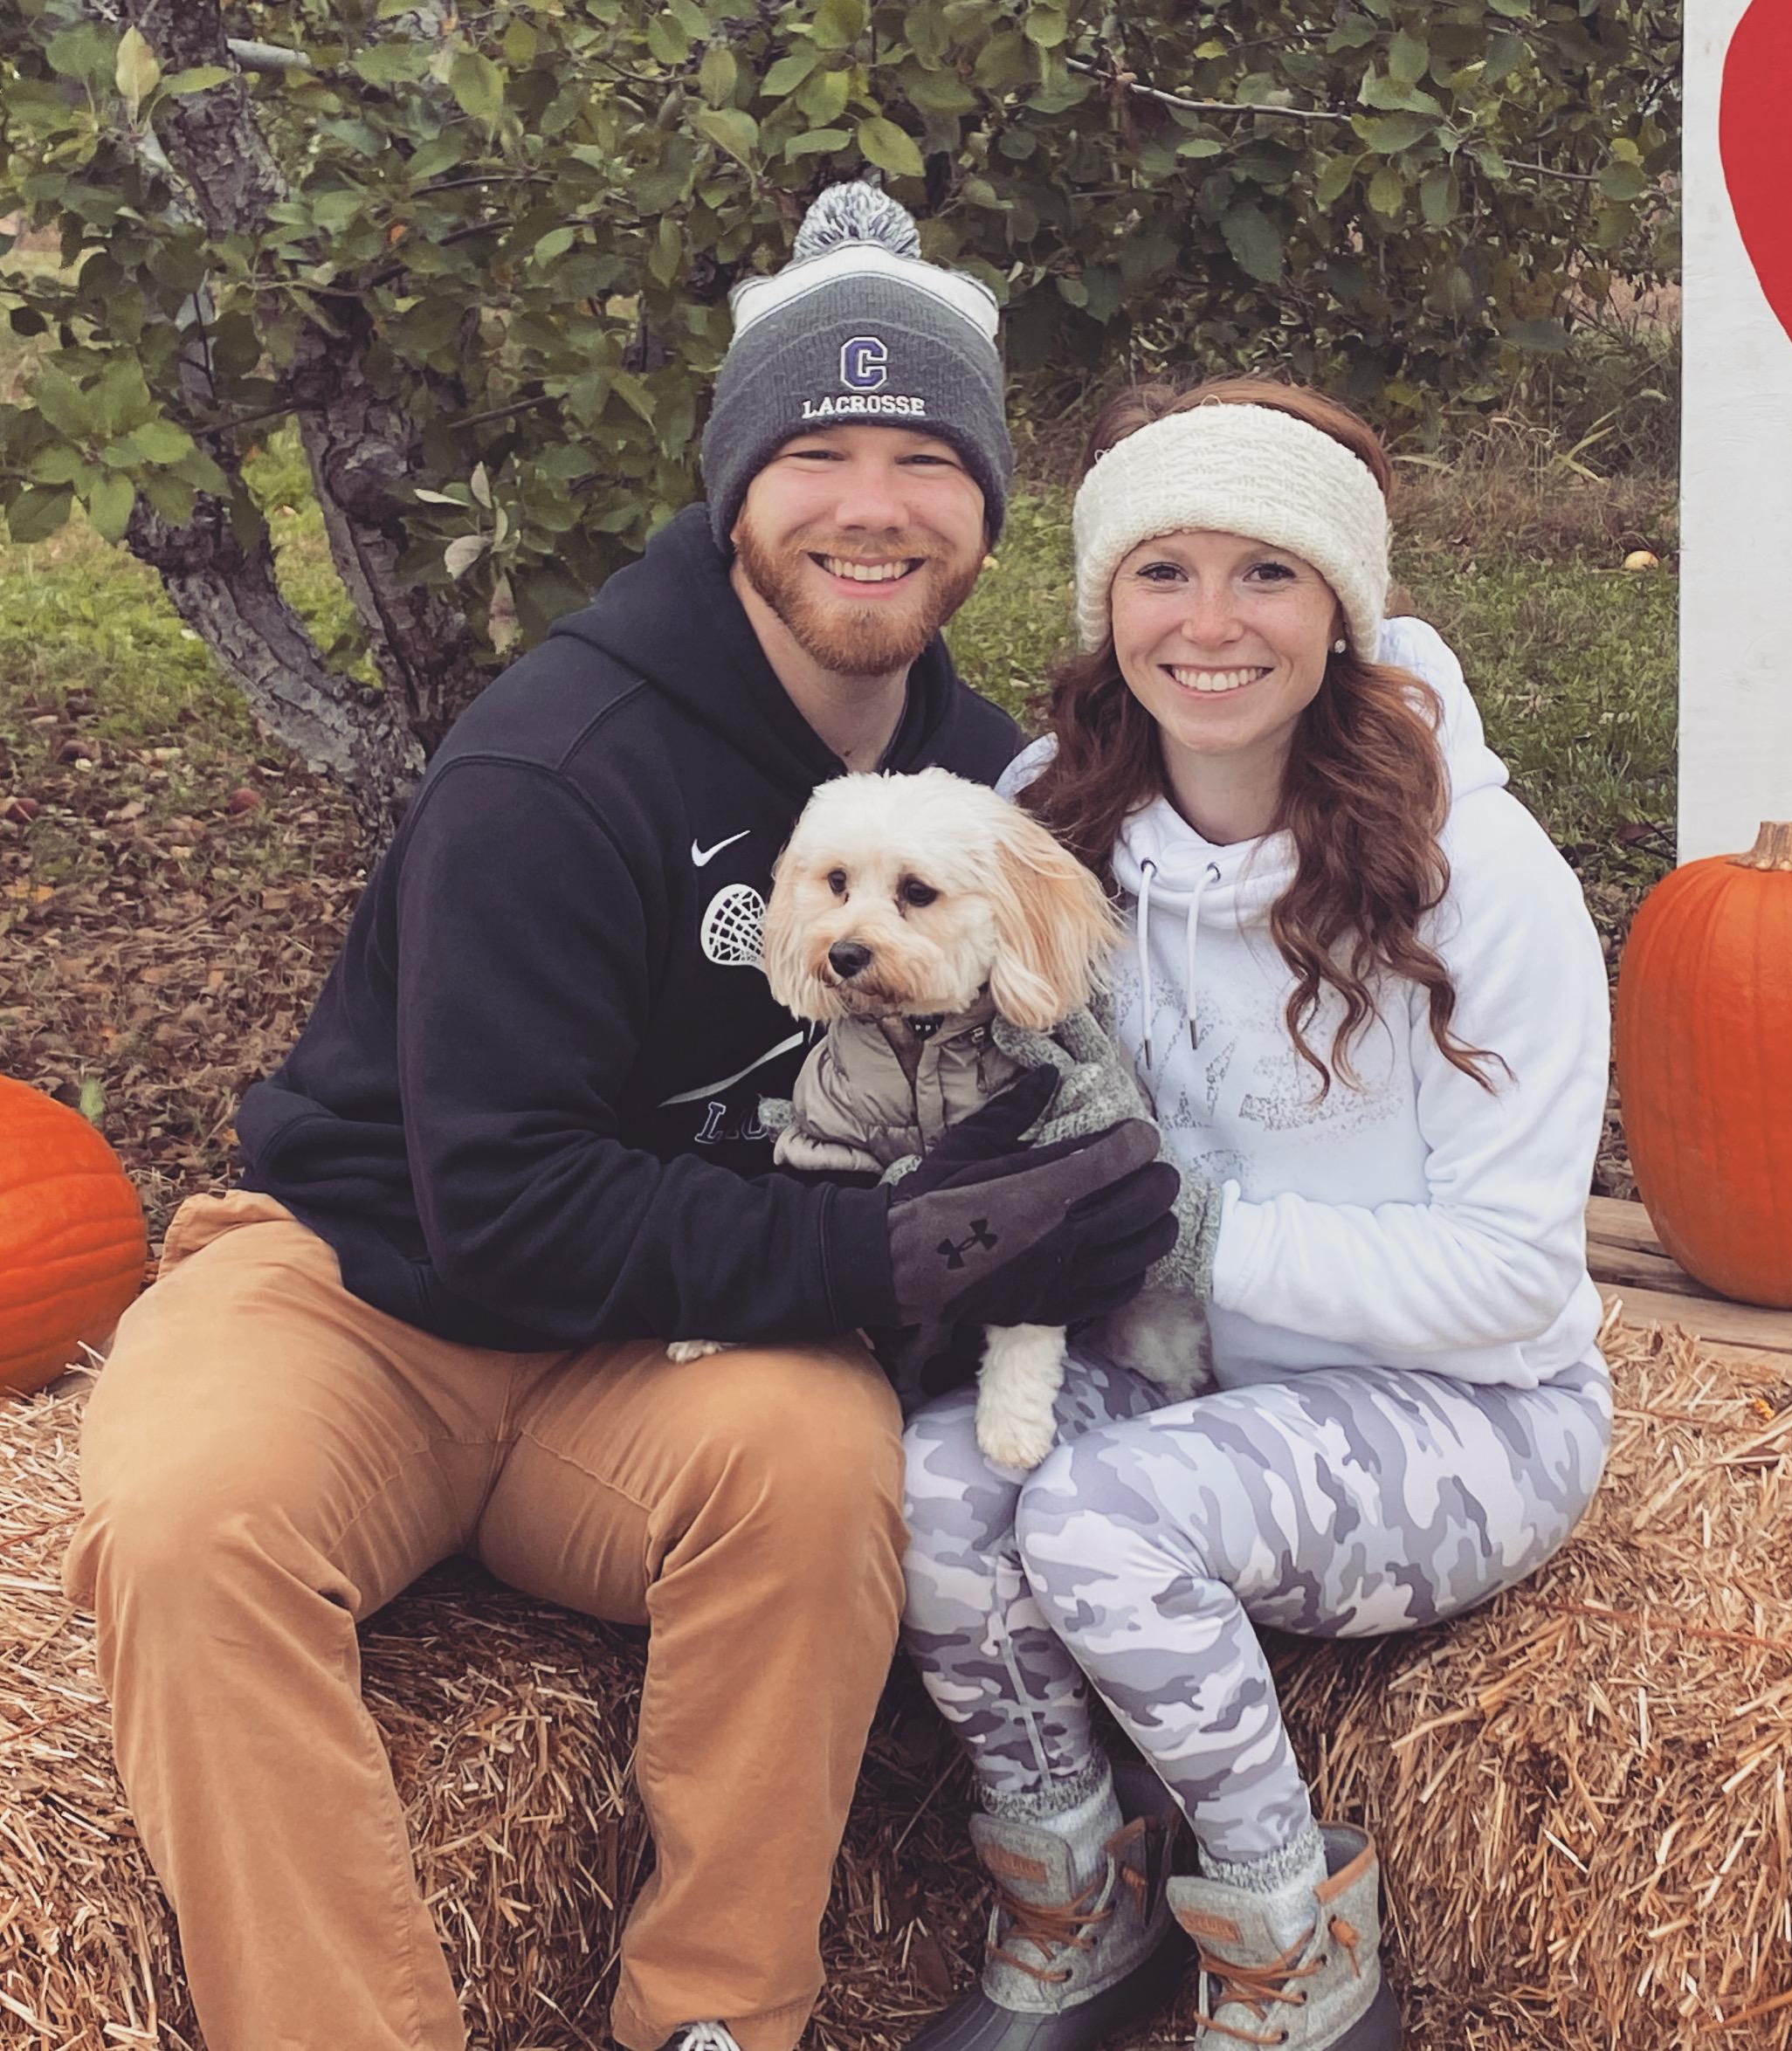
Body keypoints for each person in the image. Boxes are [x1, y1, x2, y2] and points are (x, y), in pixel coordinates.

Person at [58, 185, 1176, 2051]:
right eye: (817, 454)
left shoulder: (984, 789)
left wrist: (1099, 1197)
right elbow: (498, 1206)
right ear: (734, 490)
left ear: (987, 509)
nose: (873, 505)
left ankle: (714, 2020)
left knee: (820, 1471)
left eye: (927, 459)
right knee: (183, 1533)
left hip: (654, 1361)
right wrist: (881, 1250)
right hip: (366, 1290)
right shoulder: (555, 760)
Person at [897, 377, 1615, 2051]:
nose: (1208, 623)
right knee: (938, 1480)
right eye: (1163, 571)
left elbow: (1511, 1275)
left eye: (1265, 572)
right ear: (1106, 604)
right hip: (1175, 1365)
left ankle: (1296, 1941)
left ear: (1340, 605)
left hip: (1466, 1404)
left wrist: (1184, 1229)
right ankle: (1077, 1900)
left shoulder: (1481, 873)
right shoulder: (1052, 821)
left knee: (1100, 1515)